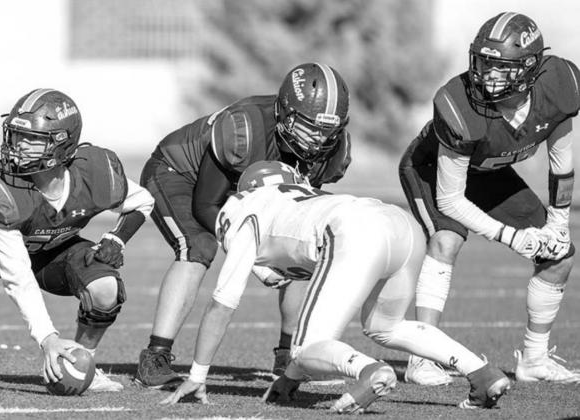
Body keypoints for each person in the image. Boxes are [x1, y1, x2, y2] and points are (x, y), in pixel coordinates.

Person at [160, 161, 511, 412]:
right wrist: (292, 376)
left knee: (305, 346)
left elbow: (222, 303)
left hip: (353, 232)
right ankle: (481, 372)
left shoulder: (246, 207)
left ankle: (371, 372)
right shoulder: (301, 195)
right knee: (385, 326)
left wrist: (198, 374)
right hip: (400, 224)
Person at [0, 89, 154, 392]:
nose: (18, 145)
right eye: (16, 135)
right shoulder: (1, 190)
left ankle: (80, 362)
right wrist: (46, 337)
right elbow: (18, 276)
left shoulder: (95, 173)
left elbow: (143, 201)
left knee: (106, 287)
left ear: (64, 144)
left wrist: (117, 238)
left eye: (32, 138)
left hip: (54, 250)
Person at [136, 63, 352, 389]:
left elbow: (300, 214)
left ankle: (292, 353)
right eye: (308, 127)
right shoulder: (243, 129)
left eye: (326, 131)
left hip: (241, 188)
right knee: (198, 248)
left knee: (302, 242)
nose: (317, 139)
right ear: (283, 113)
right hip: (179, 173)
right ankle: (155, 358)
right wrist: (256, 259)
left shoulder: (331, 150)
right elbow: (206, 205)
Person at [398, 12, 580, 386]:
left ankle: (534, 360)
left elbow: (561, 163)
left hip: (489, 172)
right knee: (446, 240)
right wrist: (511, 236)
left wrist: (558, 221)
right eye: (483, 64)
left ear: (530, 68)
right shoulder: (458, 103)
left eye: (501, 68)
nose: (486, 76)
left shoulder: (559, 86)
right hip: (432, 167)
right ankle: (421, 358)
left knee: (559, 255)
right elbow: (451, 201)